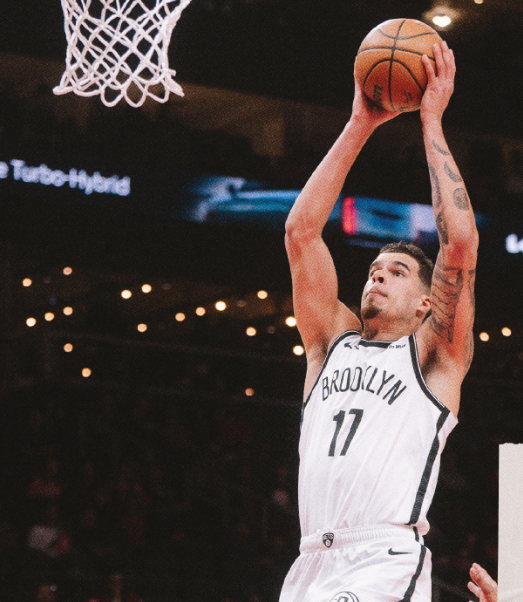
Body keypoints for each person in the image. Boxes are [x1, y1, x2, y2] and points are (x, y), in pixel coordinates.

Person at [282, 41, 478, 602]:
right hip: (310, 561)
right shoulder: (330, 344)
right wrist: (359, 124)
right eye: (373, 270)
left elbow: (459, 245)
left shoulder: (433, 357)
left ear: (426, 304)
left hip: (381, 558)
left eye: (396, 272)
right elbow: (300, 234)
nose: (377, 277)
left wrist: (431, 121)